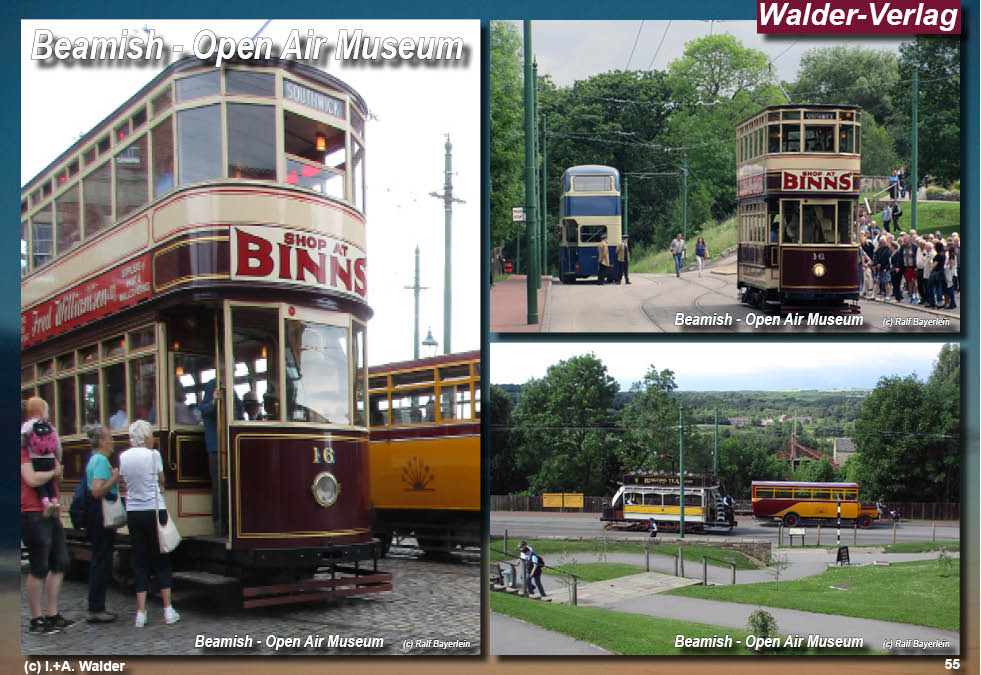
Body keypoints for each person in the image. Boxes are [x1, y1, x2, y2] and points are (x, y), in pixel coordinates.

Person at [118, 420, 180, 627]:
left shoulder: (123, 457)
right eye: (151, 435)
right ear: (145, 437)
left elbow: (125, 482)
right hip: (154, 510)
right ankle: (168, 609)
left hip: (134, 512)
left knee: (140, 560)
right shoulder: (154, 455)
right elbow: (161, 480)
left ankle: (141, 613)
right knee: (161, 559)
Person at [21, 398, 74, 634]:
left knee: (59, 562)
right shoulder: (23, 445)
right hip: (31, 510)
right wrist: (53, 472)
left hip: (50, 509)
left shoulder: (46, 442)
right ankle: (36, 618)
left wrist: (55, 472)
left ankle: (52, 613)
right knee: (39, 566)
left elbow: (55, 474)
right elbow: (32, 479)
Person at [83, 424, 121, 623]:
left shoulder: (95, 459)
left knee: (101, 558)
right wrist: (114, 479)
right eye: (109, 438)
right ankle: (96, 608)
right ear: (101, 442)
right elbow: (97, 491)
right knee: (101, 560)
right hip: (100, 514)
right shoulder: (100, 461)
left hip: (96, 514)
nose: (112, 442)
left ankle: (97, 605)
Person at [22, 397, 62, 518]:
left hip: (36, 459)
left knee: (42, 484)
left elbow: (22, 438)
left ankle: (46, 502)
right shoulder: (50, 426)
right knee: (49, 482)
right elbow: (58, 445)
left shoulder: (28, 425)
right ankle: (54, 501)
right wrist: (57, 460)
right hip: (50, 459)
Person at [198, 380, 224, 534]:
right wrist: (214, 401)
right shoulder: (213, 385)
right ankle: (219, 524)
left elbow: (238, 411)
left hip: (229, 443)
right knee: (218, 486)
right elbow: (204, 409)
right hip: (216, 446)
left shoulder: (230, 388)